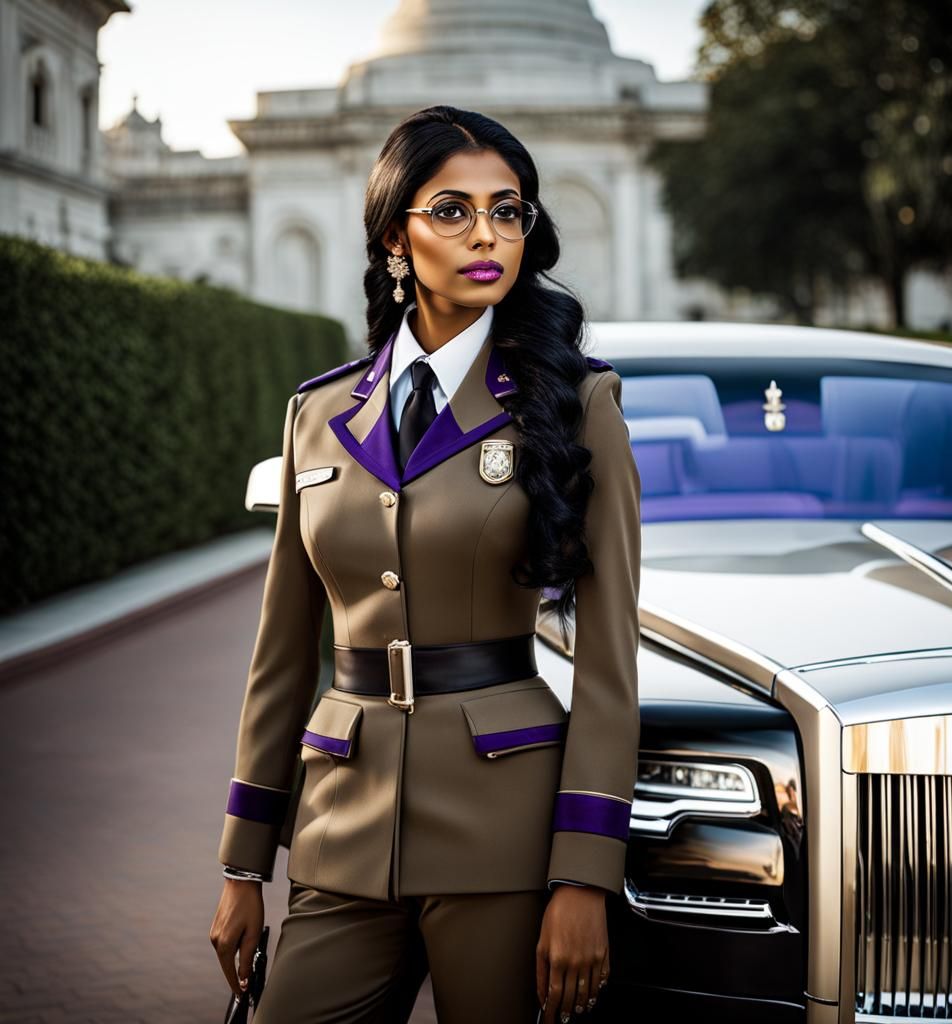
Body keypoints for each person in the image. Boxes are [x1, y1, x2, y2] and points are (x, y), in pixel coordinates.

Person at [208, 103, 642, 1024]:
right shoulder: (317, 415)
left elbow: (609, 666)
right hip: (341, 826)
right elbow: (282, 656)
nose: (486, 233)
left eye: (508, 210)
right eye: (452, 210)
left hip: (506, 834)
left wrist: (584, 877)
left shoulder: (578, 403)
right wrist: (245, 862)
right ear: (395, 237)